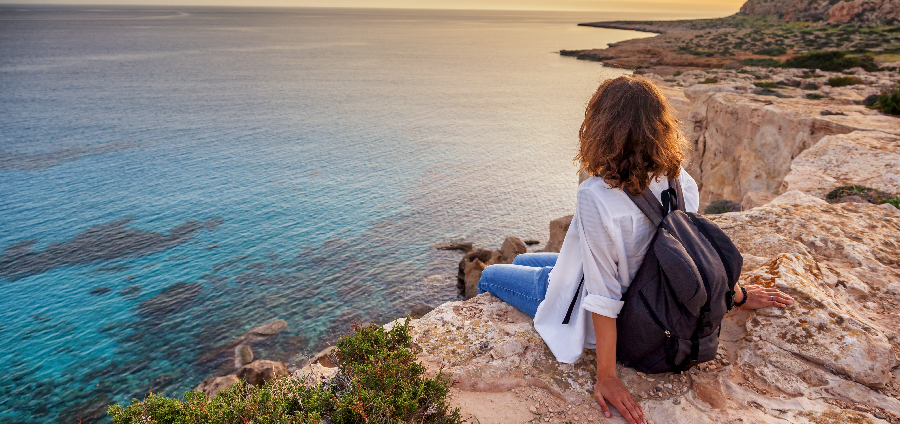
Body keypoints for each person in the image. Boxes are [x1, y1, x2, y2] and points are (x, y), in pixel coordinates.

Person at [478, 75, 795, 424]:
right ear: (660, 127)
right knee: (524, 257)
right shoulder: (680, 181)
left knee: (489, 274)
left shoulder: (596, 195)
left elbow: (603, 294)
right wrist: (737, 294)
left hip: (615, 311)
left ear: (601, 128)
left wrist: (608, 375)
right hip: (650, 290)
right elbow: (692, 249)